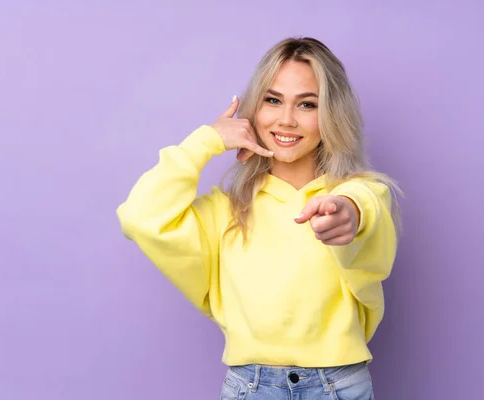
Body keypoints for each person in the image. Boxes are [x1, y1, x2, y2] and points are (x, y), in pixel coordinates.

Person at [116, 37, 402, 400]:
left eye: (307, 104)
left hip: (338, 387)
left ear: (331, 114)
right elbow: (140, 216)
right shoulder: (225, 210)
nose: (286, 119)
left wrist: (349, 211)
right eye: (272, 100)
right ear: (255, 108)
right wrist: (206, 141)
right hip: (251, 389)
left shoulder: (361, 195)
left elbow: (362, 210)